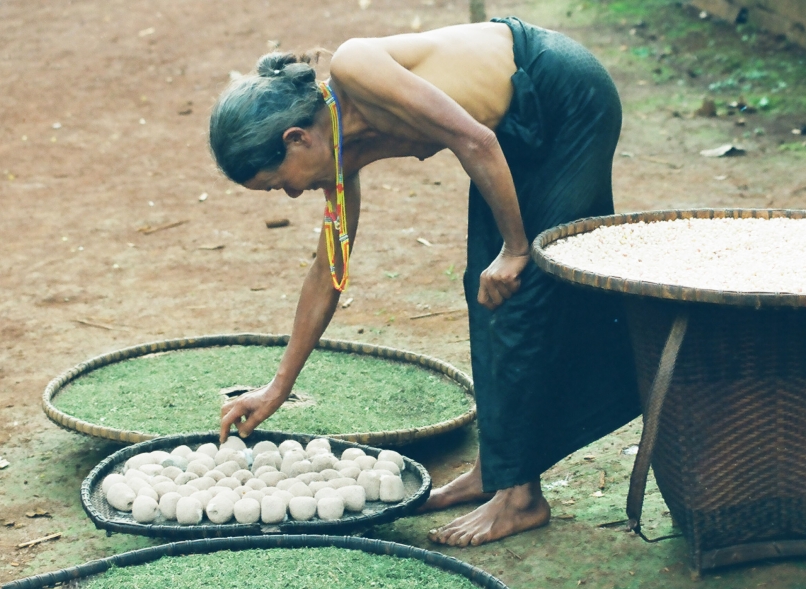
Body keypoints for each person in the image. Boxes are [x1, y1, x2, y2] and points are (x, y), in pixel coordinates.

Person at [211, 17, 640, 546]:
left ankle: (521, 498)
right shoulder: (339, 155)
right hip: (507, 132)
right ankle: (498, 468)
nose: (293, 196)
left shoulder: (355, 66)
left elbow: (474, 139)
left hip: (564, 93)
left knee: (525, 289)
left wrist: (516, 248)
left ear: (296, 138)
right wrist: (279, 388)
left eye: (279, 184)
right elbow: (329, 270)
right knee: (484, 291)